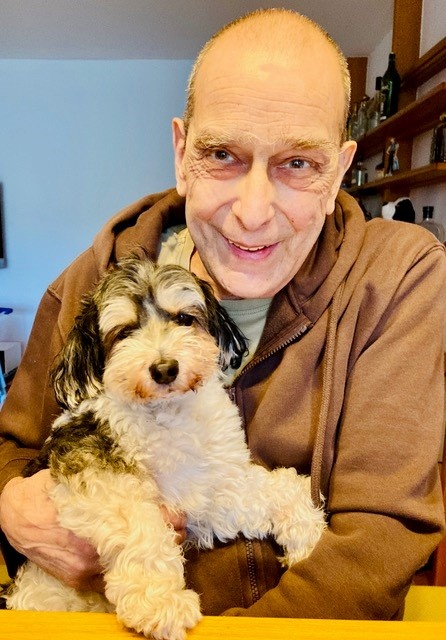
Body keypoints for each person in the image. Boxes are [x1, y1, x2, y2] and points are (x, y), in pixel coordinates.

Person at [0, 8, 445, 620]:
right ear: (182, 153)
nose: (253, 212)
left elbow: (378, 542)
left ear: (341, 170)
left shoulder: (398, 279)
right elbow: (13, 450)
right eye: (222, 154)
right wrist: (11, 506)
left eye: (298, 163)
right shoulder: (86, 283)